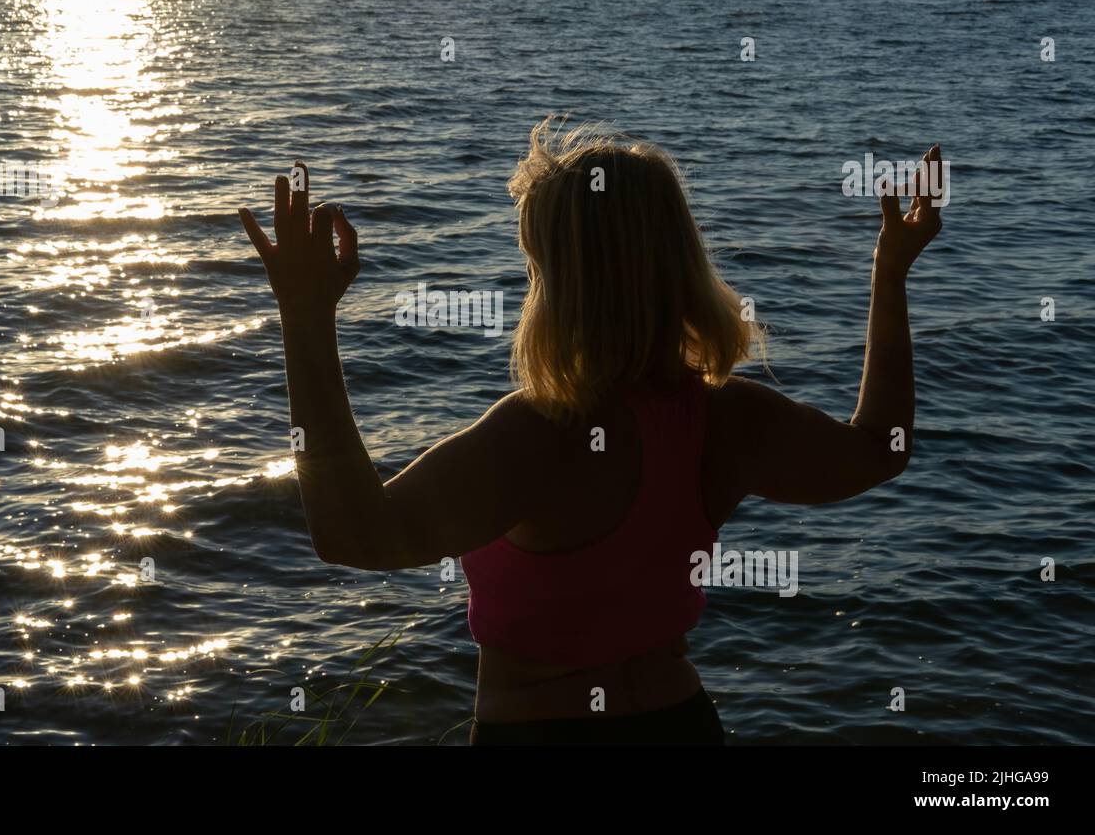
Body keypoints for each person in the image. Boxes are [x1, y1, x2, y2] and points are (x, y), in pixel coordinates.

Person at [238, 120, 943, 745]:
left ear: (561, 281)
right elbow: (881, 449)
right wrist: (890, 272)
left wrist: (305, 316)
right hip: (680, 725)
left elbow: (353, 534)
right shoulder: (729, 417)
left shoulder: (539, 434)